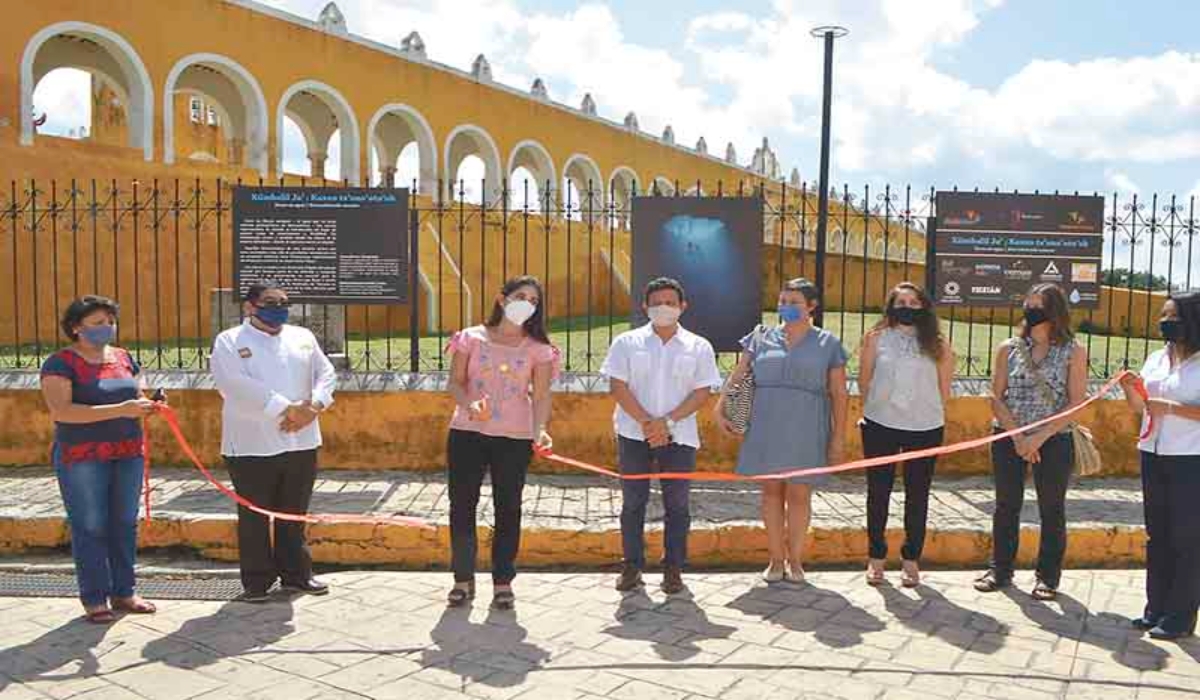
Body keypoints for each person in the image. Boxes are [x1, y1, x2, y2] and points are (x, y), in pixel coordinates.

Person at [211, 281, 337, 603]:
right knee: (254, 516)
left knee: (293, 512)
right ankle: (256, 582)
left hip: (302, 439)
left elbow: (327, 374)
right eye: (270, 302)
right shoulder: (229, 341)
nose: (279, 308)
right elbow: (236, 385)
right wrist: (287, 409)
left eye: (284, 302)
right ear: (250, 307)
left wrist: (314, 408)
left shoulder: (303, 337)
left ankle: (296, 575)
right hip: (252, 443)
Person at [716, 278, 849, 583]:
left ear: (812, 306)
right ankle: (776, 560)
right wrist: (721, 405)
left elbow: (839, 395)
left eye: (794, 302)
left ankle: (797, 560)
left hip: (807, 425)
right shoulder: (761, 337)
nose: (786, 307)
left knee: (800, 494)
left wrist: (838, 438)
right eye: (782, 300)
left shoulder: (828, 343)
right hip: (766, 424)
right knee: (771, 493)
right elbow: (739, 374)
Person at [40, 295, 159, 623]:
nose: (106, 328)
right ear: (76, 328)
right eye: (97, 323)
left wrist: (147, 404)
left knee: (124, 522)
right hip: (82, 456)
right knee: (90, 525)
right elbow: (62, 412)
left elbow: (137, 394)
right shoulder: (59, 363)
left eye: (110, 321)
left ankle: (125, 591)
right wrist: (121, 410)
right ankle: (94, 597)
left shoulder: (124, 357)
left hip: (127, 452)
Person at [601, 277, 722, 595]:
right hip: (632, 434)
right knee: (633, 503)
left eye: (670, 302)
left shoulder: (699, 346)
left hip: (679, 436)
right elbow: (617, 385)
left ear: (683, 306)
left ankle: (673, 568)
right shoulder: (626, 343)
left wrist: (666, 422)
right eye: (656, 303)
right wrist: (646, 422)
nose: (663, 308)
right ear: (645, 307)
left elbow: (702, 391)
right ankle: (632, 565)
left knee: (678, 505)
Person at [445, 275, 557, 610]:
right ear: (501, 298)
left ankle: (503, 581)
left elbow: (541, 396)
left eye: (534, 301)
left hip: (515, 438)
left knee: (508, 508)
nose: (527, 304)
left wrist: (540, 430)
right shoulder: (471, 338)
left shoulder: (539, 350)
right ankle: (462, 579)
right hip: (467, 433)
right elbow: (454, 383)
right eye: (521, 296)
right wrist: (469, 403)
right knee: (461, 506)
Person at [975, 282, 1088, 600]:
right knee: (1006, 505)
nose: (1030, 309)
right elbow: (995, 396)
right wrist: (1019, 437)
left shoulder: (1073, 351)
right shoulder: (1007, 347)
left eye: (1037, 304)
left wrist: (1038, 437)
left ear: (1054, 311)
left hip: (1053, 439)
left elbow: (1076, 402)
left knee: (1051, 509)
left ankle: (1047, 577)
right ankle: (1000, 569)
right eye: (1028, 303)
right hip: (1009, 436)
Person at [858, 282, 953, 587]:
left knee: (917, 496)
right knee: (878, 493)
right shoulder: (875, 338)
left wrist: (924, 411)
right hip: (880, 425)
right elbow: (864, 381)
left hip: (924, 427)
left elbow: (944, 388)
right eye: (901, 302)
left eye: (914, 302)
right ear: (890, 306)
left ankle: (911, 560)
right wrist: (878, 408)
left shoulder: (938, 343)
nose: (907, 307)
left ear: (924, 307)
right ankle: (876, 558)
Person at [1119, 290, 1200, 640]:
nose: (1165, 323)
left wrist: (1169, 407)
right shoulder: (1156, 357)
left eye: (1173, 317)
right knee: (1158, 536)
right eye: (1163, 316)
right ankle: (1155, 610)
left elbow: (1170, 407)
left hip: (1190, 459)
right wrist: (1130, 389)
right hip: (1152, 453)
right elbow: (1142, 408)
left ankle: (1180, 617)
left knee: (1187, 538)